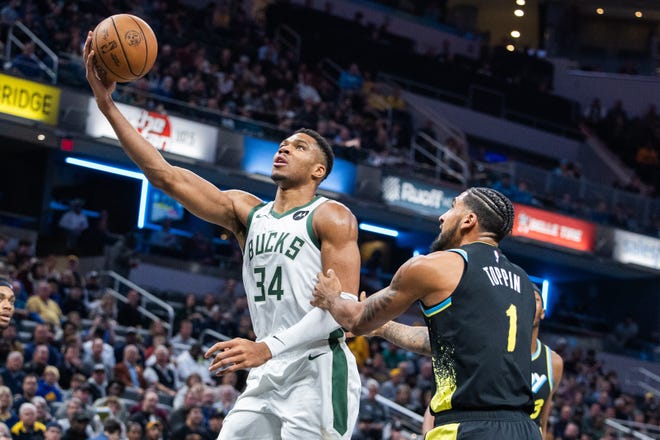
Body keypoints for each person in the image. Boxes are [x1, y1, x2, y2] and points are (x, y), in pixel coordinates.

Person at [85, 34, 361, 440]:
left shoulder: (332, 216)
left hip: (317, 368)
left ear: (319, 171)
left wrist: (265, 347)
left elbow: (346, 312)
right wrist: (107, 105)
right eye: (282, 145)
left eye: (298, 148)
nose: (283, 149)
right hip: (267, 369)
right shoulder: (246, 212)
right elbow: (166, 175)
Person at [312, 187, 541, 440]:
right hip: (525, 429)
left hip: (468, 426)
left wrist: (331, 297)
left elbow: (355, 319)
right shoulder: (524, 283)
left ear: (468, 220)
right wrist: (385, 328)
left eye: (453, 207)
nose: (442, 217)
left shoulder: (435, 265)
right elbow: (448, 345)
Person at [530, 285, 563, 438]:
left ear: (542, 313)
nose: (529, 303)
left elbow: (543, 422)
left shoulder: (554, 362)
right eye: (525, 298)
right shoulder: (498, 349)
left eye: (535, 299)